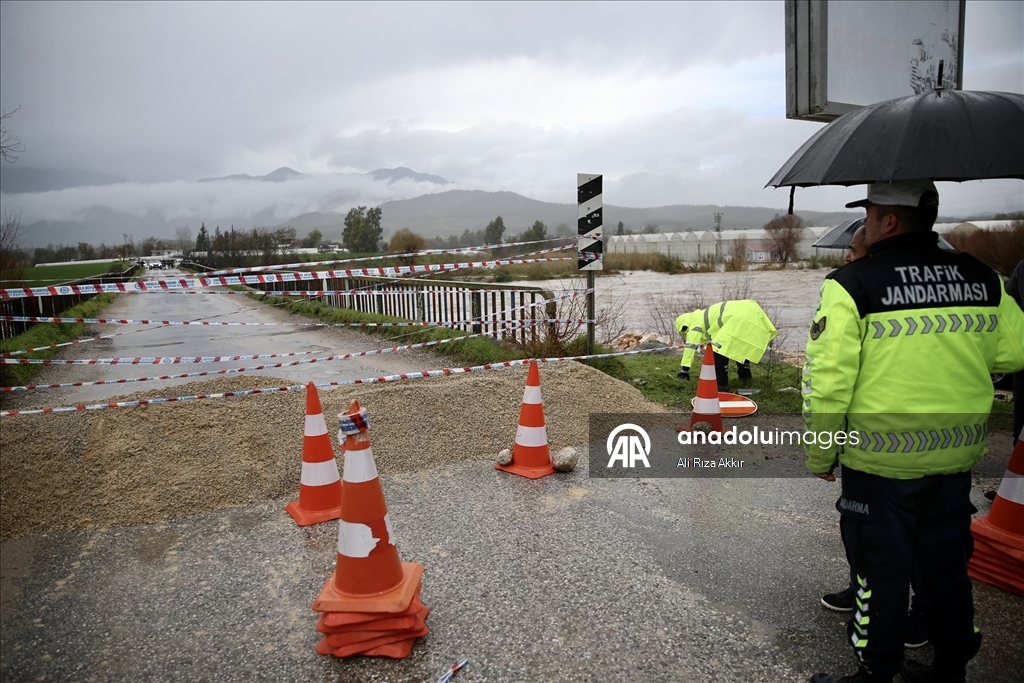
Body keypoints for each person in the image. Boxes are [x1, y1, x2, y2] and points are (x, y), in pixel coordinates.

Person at [803, 179, 1024, 683]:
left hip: (878, 465)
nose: (864, 224)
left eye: (869, 213)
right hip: (954, 460)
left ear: (889, 221)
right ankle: (949, 671)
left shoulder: (851, 284)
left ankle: (877, 674)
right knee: (945, 569)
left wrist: (821, 455)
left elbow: (828, 383)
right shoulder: (982, 277)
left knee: (879, 573)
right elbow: (1015, 353)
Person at [819, 221, 928, 650]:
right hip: (906, 439)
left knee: (896, 535)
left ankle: (910, 620)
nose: (846, 257)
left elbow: (831, 380)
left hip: (886, 443)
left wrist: (820, 452)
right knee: (865, 531)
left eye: (853, 250)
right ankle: (863, 593)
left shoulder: (862, 289)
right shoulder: (854, 289)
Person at [674, 300, 777, 391]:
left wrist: (685, 369)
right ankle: (745, 378)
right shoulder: (703, 315)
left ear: (684, 325)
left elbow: (690, 347)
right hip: (750, 309)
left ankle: (721, 385)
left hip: (736, 316)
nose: (686, 333)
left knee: (718, 349)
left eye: (684, 331)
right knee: (739, 345)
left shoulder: (694, 324)